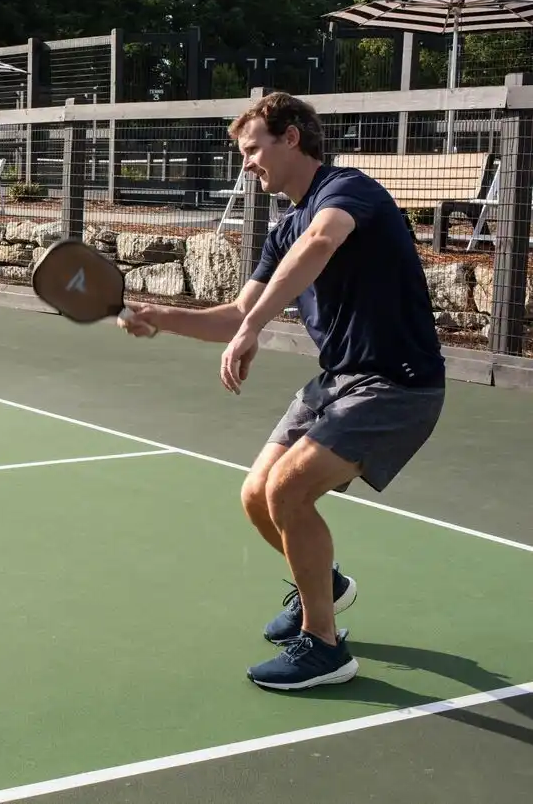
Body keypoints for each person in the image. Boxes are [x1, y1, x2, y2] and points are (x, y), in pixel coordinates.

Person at [118, 91, 445, 692]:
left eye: (252, 150)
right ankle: (328, 584)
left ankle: (324, 646)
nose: (245, 165)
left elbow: (322, 243)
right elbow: (237, 312)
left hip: (397, 383)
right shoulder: (282, 227)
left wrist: (252, 327)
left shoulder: (347, 192)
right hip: (339, 380)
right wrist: (161, 315)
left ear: (290, 137)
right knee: (256, 494)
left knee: (289, 489)